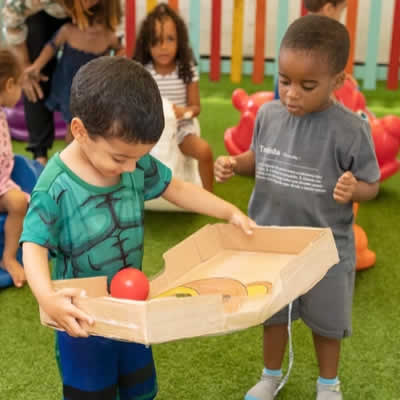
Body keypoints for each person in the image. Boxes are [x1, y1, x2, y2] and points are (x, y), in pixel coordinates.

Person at [20, 56, 255, 400]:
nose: (132, 169)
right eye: (120, 159)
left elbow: (176, 188)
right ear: (80, 131)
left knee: (139, 387)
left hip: (133, 309)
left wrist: (228, 210)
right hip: (83, 319)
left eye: (138, 158)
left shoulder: (131, 159)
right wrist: (47, 298)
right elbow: (33, 244)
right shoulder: (54, 186)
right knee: (91, 392)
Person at [214, 15, 380, 400]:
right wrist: (236, 163)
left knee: (327, 325)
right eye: (284, 80)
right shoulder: (268, 115)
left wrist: (356, 188)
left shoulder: (352, 129)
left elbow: (371, 185)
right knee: (274, 316)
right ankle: (270, 376)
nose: (291, 94)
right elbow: (260, 159)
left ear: (337, 81)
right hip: (272, 244)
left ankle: (328, 384)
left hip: (326, 250)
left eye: (307, 86)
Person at [1, 0, 121, 164]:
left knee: (85, 122)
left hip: (89, 85)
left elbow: (118, 40)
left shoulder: (106, 29)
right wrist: (30, 67)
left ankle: (82, 159)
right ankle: (42, 154)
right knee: (40, 88)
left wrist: (111, 65)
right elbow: (14, 21)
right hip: (65, 80)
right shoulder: (65, 28)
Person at [134, 3, 215, 192]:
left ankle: (209, 195)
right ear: (146, 44)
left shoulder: (186, 70)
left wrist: (182, 112)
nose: (163, 47)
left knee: (204, 151)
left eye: (170, 39)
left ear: (180, 41)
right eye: (156, 41)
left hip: (180, 128)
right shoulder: (143, 72)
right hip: (151, 130)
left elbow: (195, 107)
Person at [25, 0, 122, 143]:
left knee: (87, 125)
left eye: (99, 23)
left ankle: (80, 151)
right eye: (92, 22)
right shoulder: (69, 30)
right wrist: (37, 66)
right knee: (73, 126)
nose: (92, 31)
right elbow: (51, 47)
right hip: (68, 87)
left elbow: (120, 49)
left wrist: (110, 64)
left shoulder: (108, 36)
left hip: (92, 89)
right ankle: (71, 153)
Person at [0, 48, 28, 288]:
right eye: (20, 84)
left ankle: (8, 257)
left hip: (2, 185)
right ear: (10, 85)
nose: (20, 91)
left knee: (19, 202)